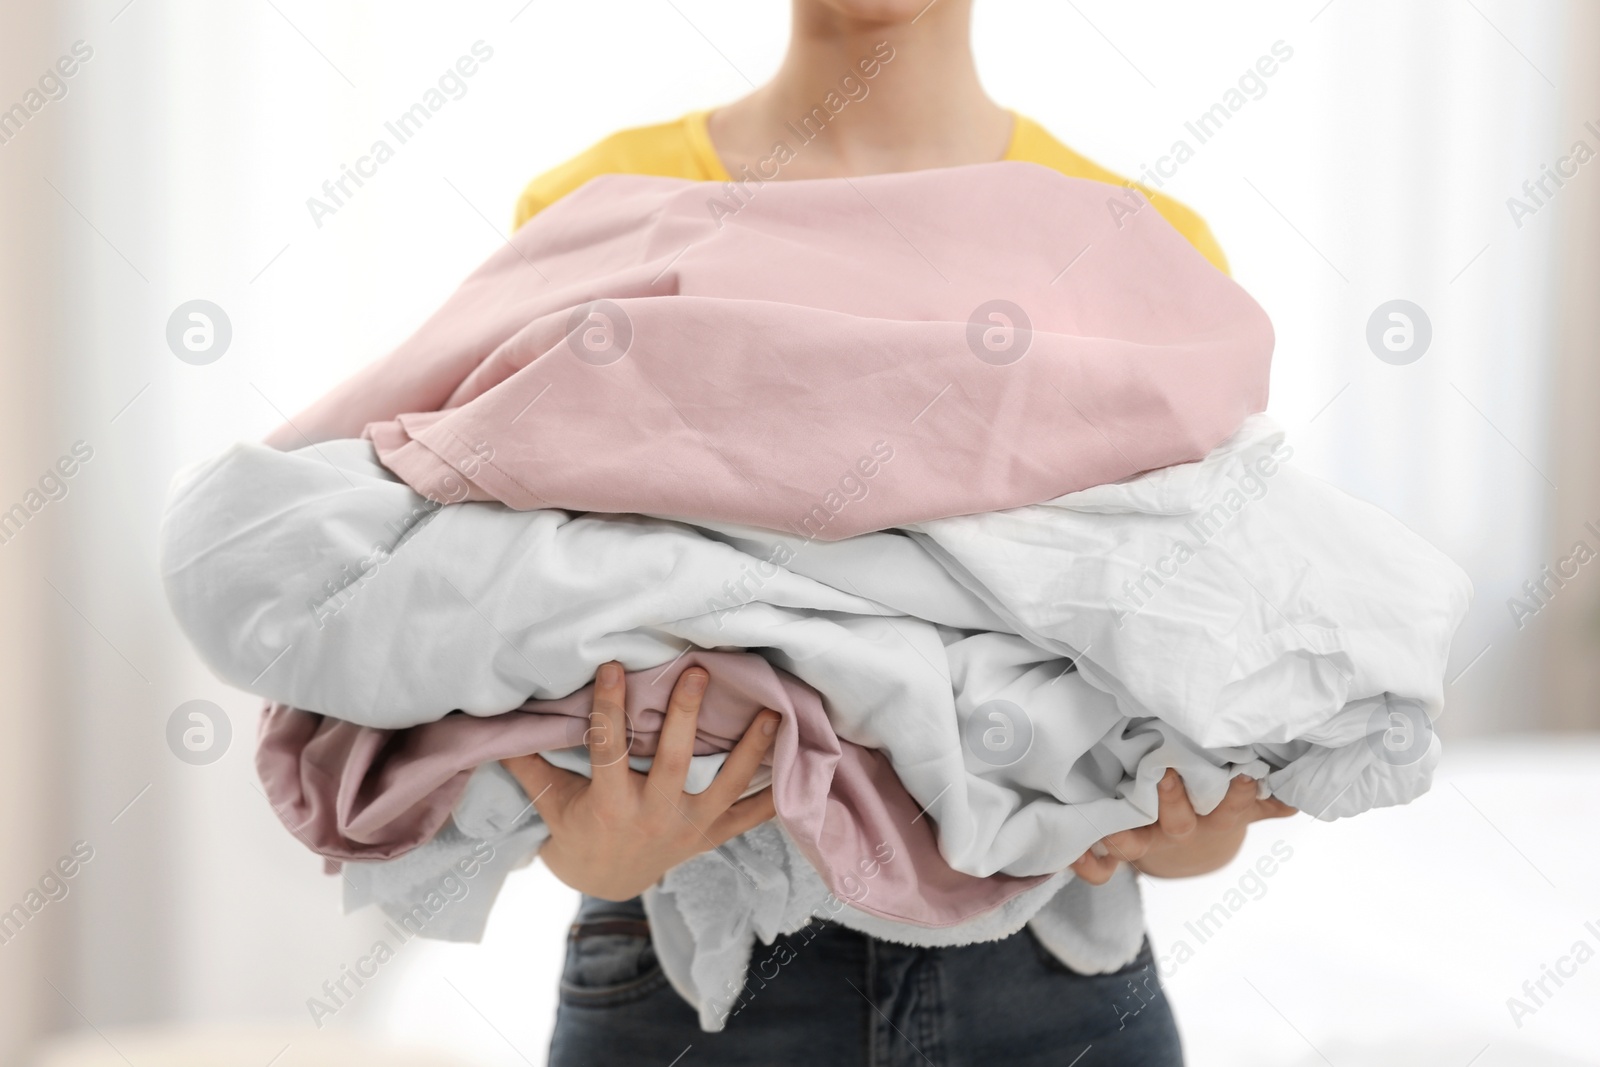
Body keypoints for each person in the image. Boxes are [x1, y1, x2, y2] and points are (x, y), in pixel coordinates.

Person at [500, 3, 1293, 1063]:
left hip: (1051, 968)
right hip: (697, 957)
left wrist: (1199, 827)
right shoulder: (595, 210)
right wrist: (586, 847)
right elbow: (512, 610)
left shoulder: (1145, 245)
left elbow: (1176, 655)